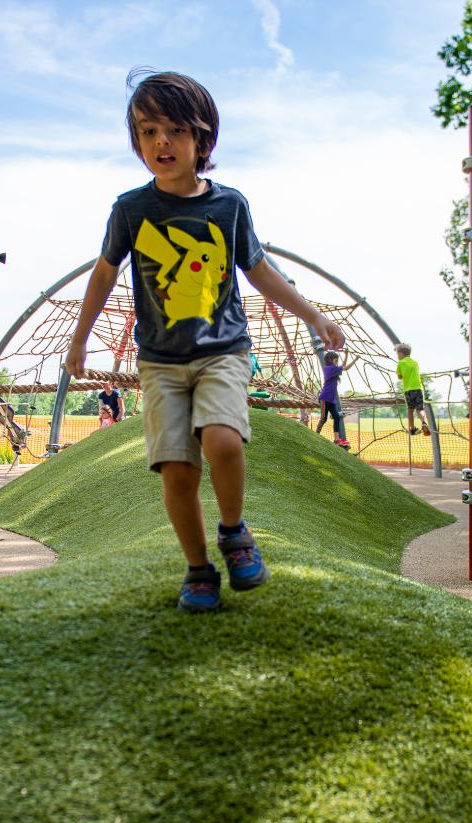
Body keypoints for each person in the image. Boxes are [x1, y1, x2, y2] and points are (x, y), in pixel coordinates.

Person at [64, 71, 344, 613]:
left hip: (223, 351)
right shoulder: (130, 210)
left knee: (221, 441)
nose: (161, 142)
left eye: (174, 130)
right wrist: (80, 338)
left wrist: (312, 314)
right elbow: (102, 274)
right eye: (147, 131)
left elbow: (260, 271)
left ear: (203, 139)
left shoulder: (228, 206)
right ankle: (198, 569)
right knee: (178, 468)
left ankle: (234, 532)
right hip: (161, 362)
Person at [316, 350, 350, 449]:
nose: (336, 363)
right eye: (335, 361)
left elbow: (342, 367)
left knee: (337, 417)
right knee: (323, 418)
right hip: (325, 398)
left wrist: (346, 355)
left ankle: (337, 440)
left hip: (331, 400)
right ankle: (315, 435)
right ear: (330, 360)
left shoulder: (333, 368)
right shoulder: (329, 368)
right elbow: (346, 368)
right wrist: (355, 359)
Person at [395, 344, 430, 436]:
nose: (397, 356)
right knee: (420, 409)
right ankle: (424, 422)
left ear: (401, 354)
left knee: (410, 410)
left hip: (408, 390)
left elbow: (399, 377)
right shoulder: (415, 363)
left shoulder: (400, 363)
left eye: (397, 354)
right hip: (418, 389)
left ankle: (413, 429)